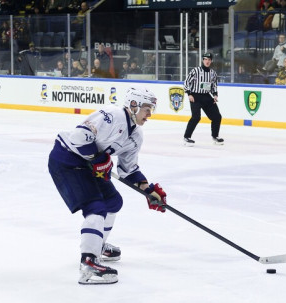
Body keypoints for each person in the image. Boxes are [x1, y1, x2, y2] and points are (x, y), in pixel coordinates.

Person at [48, 87, 167, 284]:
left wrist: (148, 190)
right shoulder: (112, 116)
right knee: (96, 208)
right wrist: (98, 158)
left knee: (113, 202)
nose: (149, 114)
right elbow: (78, 138)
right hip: (67, 160)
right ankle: (88, 262)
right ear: (134, 105)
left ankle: (97, 246)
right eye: (147, 109)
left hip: (89, 166)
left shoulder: (136, 135)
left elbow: (128, 170)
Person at [183, 52, 223, 146]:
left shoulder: (213, 73)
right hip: (195, 96)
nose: (207, 61)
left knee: (217, 116)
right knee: (196, 117)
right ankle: (187, 137)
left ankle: (215, 136)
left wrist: (215, 95)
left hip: (207, 96)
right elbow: (186, 82)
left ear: (211, 61)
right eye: (205, 59)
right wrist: (189, 94)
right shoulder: (195, 71)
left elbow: (214, 85)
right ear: (202, 60)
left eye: (209, 60)